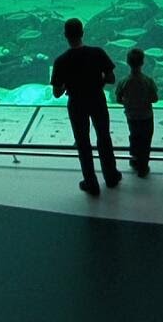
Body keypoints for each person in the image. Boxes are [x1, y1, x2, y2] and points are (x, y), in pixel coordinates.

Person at [51, 18, 121, 196]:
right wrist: (99, 82)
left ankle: (91, 182)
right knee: (104, 137)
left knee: (83, 143)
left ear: (65, 35)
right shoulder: (97, 52)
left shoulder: (61, 61)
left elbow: (57, 93)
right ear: (83, 33)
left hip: (76, 103)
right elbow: (112, 78)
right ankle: (111, 176)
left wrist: (68, 85)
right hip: (97, 99)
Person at [114, 47, 158, 178]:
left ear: (127, 62)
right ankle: (143, 167)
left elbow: (118, 99)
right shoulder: (148, 80)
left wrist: (129, 103)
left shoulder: (124, 81)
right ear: (143, 62)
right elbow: (155, 98)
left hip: (131, 115)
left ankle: (134, 160)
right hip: (146, 116)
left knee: (134, 136)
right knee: (146, 140)